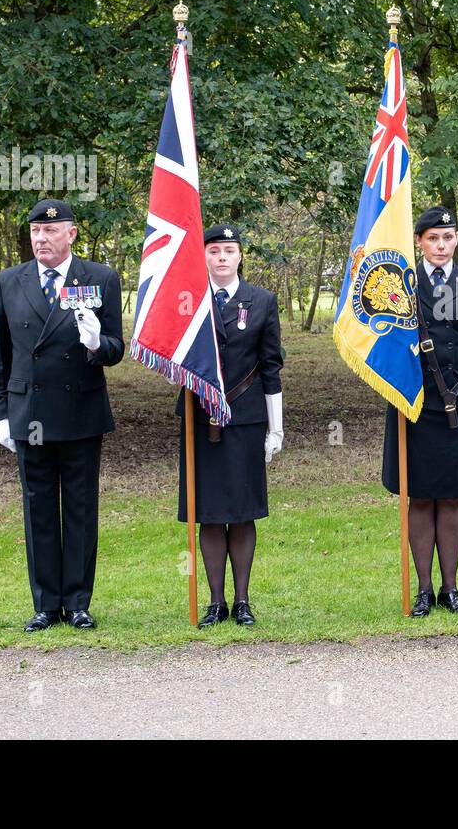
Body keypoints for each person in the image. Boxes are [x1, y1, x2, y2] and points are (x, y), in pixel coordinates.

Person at [0, 198, 124, 631]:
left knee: (81, 509)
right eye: (35, 233)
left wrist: (93, 342)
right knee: (39, 509)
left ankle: (78, 602)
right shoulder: (10, 281)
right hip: (29, 410)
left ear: (71, 234)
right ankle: (46, 604)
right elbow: (0, 355)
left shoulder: (100, 278)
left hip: (80, 409)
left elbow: (116, 349)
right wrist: (2, 413)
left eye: (50, 232)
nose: (41, 239)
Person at [381, 207, 458, 617]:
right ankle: (423, 590)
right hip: (415, 407)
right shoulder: (400, 288)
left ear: (456, 241)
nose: (441, 246)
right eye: (433, 238)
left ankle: (450, 589)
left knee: (451, 498)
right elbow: (384, 349)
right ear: (419, 241)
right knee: (420, 498)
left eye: (448, 238)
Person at [177, 224, 285, 626]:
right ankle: (215, 601)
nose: (221, 258)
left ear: (241, 256)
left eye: (229, 251)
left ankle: (242, 600)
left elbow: (271, 366)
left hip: (245, 418)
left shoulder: (261, 300)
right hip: (199, 418)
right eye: (214, 251)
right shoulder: (187, 299)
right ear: (203, 256)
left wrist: (276, 428)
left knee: (241, 511)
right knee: (208, 512)